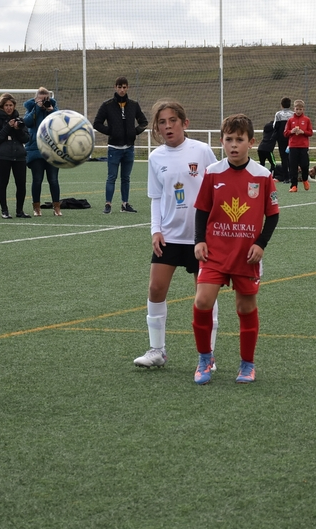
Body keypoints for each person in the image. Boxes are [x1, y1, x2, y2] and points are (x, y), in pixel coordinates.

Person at [192, 114, 279, 385]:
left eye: (239, 140)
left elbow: (273, 215)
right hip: (215, 251)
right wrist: (199, 240)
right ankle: (205, 358)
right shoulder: (213, 172)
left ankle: (247, 364)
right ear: (222, 141)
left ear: (251, 142)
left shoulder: (263, 176)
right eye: (228, 139)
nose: (233, 145)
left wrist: (260, 244)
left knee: (244, 307)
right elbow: (202, 210)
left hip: (246, 255)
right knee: (202, 300)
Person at [133, 99, 220, 369]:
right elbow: (156, 198)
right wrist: (155, 230)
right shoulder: (155, 157)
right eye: (162, 122)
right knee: (155, 289)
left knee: (204, 297)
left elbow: (219, 186)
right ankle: (157, 350)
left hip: (201, 238)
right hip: (169, 236)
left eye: (173, 121)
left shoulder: (202, 151)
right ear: (156, 128)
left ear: (185, 123)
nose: (168, 126)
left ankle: (208, 355)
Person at [92, 77, 148, 214]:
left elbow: (144, 122)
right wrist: (111, 132)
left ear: (127, 87)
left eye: (124, 87)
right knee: (111, 177)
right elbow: (97, 123)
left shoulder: (134, 105)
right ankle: (108, 204)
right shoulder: (107, 105)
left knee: (126, 178)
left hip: (129, 148)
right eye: (119, 87)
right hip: (114, 148)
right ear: (115, 87)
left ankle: (125, 204)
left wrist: (133, 132)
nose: (122, 90)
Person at [0, 93, 31, 219]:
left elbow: (26, 139)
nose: (9, 108)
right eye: (6, 105)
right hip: (3, 157)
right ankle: (4, 210)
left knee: (21, 184)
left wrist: (17, 129)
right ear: (2, 107)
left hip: (19, 157)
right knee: (3, 183)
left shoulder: (20, 121)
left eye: (11, 105)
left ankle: (20, 211)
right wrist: (8, 127)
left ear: (14, 106)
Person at [23, 87, 62, 216]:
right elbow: (27, 123)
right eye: (41, 99)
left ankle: (57, 207)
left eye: (46, 99)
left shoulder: (54, 110)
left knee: (54, 180)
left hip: (52, 150)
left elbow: (60, 125)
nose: (44, 101)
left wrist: (51, 111)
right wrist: (37, 108)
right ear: (36, 99)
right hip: (35, 150)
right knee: (37, 179)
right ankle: (36, 208)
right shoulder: (31, 109)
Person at [284, 99, 314, 192]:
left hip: (303, 146)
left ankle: (305, 179)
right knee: (293, 166)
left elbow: (310, 132)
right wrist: (291, 131)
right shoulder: (290, 120)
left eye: (300, 109)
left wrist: (303, 132)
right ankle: (294, 186)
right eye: (297, 109)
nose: (298, 111)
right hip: (293, 146)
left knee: (305, 165)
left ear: (303, 109)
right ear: (294, 109)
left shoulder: (307, 120)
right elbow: (285, 133)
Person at [273, 97, 293, 170]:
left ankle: (285, 177)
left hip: (281, 138)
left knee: (283, 156)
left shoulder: (278, 114)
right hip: (291, 137)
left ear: (281, 105)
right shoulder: (293, 114)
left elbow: (275, 126)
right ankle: (292, 174)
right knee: (291, 156)